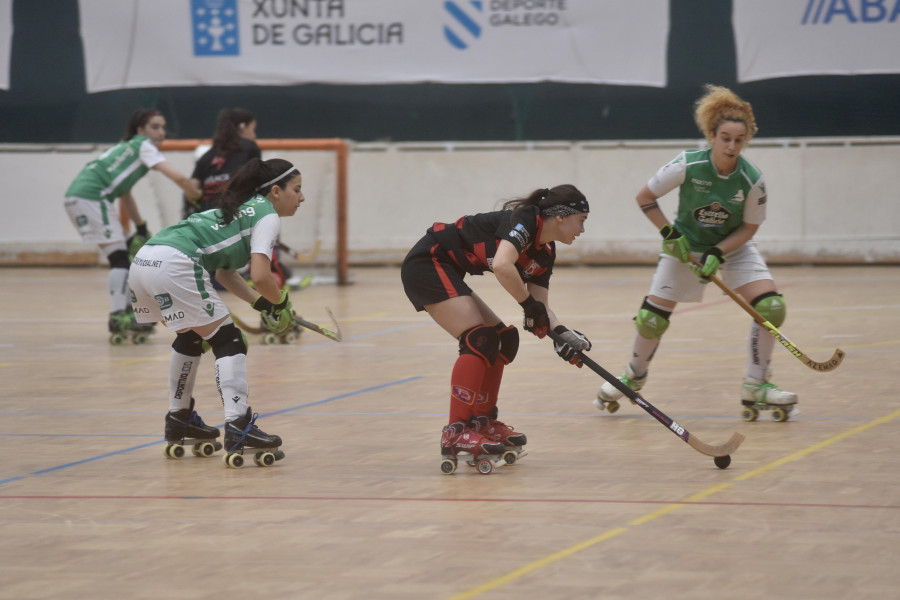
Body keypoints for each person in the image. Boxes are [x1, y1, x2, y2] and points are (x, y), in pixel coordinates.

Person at [594, 84, 797, 416]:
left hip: (732, 248)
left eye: (738, 140)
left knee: (771, 307)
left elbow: (749, 227)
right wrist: (668, 232)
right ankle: (632, 376)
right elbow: (645, 197)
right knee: (651, 320)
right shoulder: (687, 164)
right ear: (712, 136)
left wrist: (718, 251)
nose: (731, 146)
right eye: (725, 138)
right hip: (685, 246)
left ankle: (756, 384)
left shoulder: (751, 180)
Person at [401, 185, 592, 473]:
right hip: (428, 261)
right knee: (479, 339)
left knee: (503, 339)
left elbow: (541, 308)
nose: (582, 229)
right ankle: (455, 433)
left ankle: (482, 422)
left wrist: (562, 335)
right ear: (562, 217)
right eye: (582, 220)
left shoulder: (545, 253)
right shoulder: (525, 221)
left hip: (449, 268)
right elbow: (504, 265)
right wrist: (528, 306)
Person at [128, 158, 304, 467]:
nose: (302, 198)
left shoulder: (242, 209)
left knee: (191, 337)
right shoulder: (266, 215)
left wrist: (261, 304)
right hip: (176, 261)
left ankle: (179, 420)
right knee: (230, 341)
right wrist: (281, 304)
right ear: (275, 192)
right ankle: (239, 425)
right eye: (297, 189)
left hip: (146, 259)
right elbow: (263, 276)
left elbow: (225, 273)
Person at [63, 108, 202, 342]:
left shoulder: (125, 149)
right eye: (154, 127)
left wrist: (140, 226)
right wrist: (196, 197)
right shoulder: (143, 146)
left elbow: (125, 194)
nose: (160, 133)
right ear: (141, 130)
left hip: (82, 197)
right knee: (119, 258)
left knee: (126, 254)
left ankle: (129, 311)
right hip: (92, 198)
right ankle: (119, 314)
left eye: (163, 128)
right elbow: (177, 177)